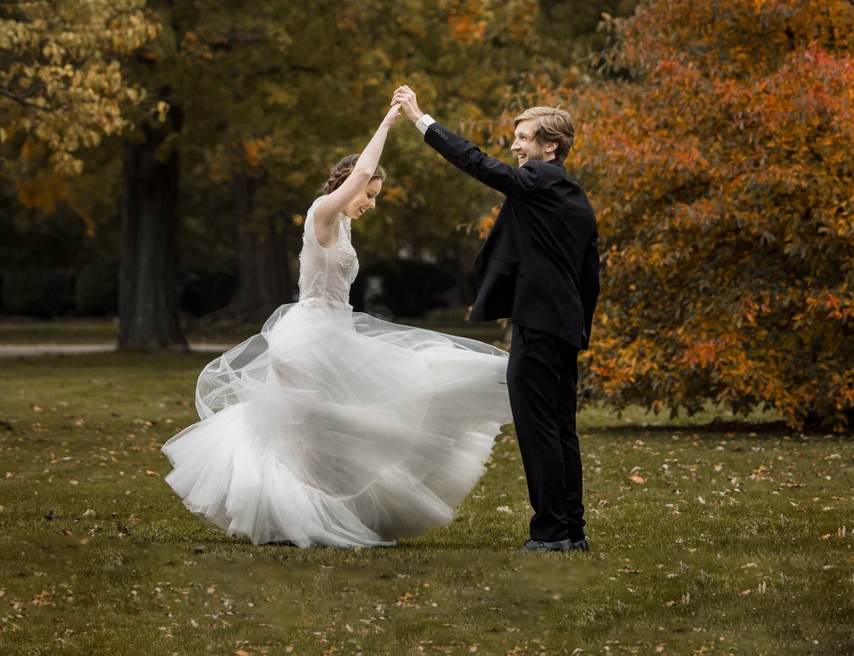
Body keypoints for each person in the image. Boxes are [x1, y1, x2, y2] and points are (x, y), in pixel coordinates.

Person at [162, 104, 512, 548]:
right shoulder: (323, 215)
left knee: (331, 429)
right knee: (316, 430)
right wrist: (389, 122)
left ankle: (315, 512)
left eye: (375, 196)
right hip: (309, 338)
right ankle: (301, 514)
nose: (371, 202)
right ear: (351, 185)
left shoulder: (342, 223)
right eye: (369, 194)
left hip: (332, 333)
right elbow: (365, 166)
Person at [392, 86, 599, 553]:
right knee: (561, 430)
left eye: (524, 138)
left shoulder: (539, 182)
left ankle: (550, 534)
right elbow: (591, 275)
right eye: (516, 137)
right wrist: (580, 326)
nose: (515, 146)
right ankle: (571, 532)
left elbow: (477, 163)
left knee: (539, 430)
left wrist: (422, 119)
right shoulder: (574, 197)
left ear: (551, 147)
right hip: (564, 328)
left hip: (541, 326)